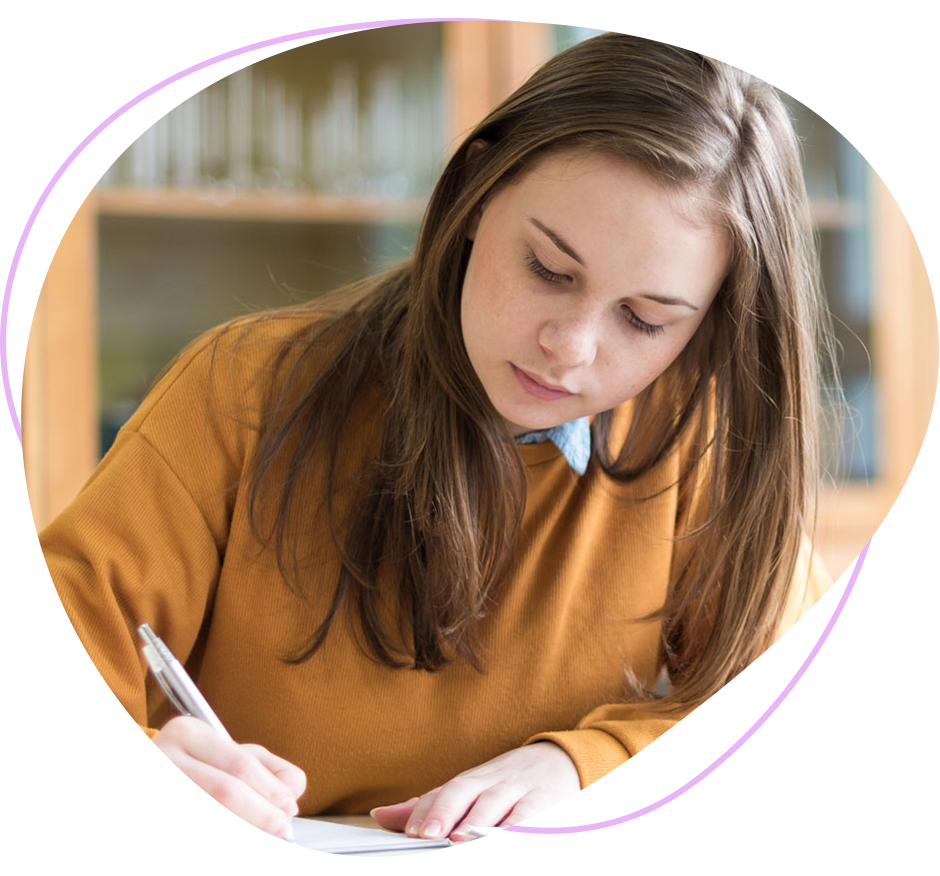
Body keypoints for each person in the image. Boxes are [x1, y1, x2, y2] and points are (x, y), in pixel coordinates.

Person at [37, 33, 838, 841]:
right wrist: (133, 780)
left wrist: (586, 773)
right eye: (549, 269)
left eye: (644, 319)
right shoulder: (238, 393)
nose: (571, 348)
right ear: (478, 188)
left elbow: (834, 741)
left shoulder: (693, 446)